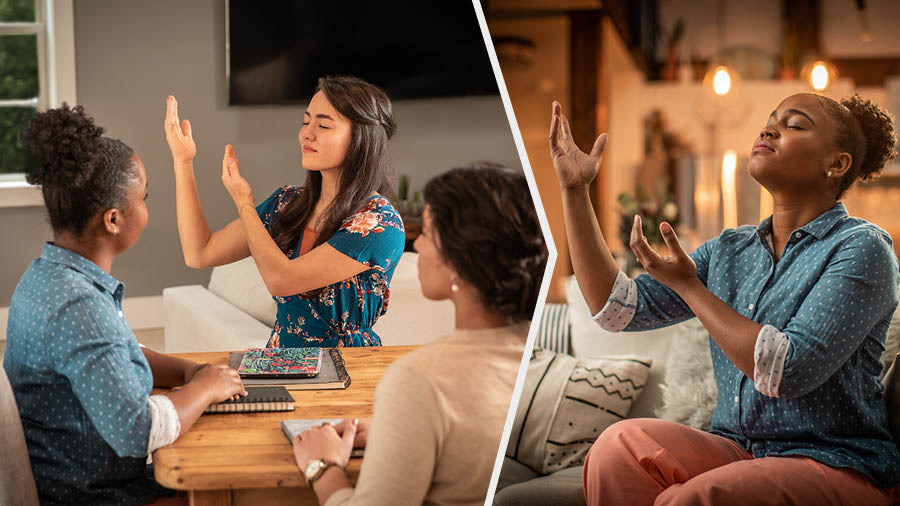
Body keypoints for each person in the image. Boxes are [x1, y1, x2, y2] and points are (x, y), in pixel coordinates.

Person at [551, 93, 900, 505]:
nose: (769, 128)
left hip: (835, 462)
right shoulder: (730, 249)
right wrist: (575, 191)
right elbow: (617, 309)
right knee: (620, 446)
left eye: (795, 124)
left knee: (696, 497)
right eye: (771, 119)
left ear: (837, 163)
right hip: (739, 450)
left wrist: (691, 288)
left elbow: (786, 371)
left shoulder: (861, 247)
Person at [3, 105, 247, 506]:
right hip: (94, 496)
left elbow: (117, 354)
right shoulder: (78, 306)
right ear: (113, 219)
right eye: (144, 197)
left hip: (80, 481)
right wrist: (204, 390)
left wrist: (190, 370)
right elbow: (137, 431)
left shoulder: (50, 275)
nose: (148, 208)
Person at [289, 164, 547, 506]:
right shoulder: (533, 358)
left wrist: (322, 467)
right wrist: (398, 426)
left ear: (460, 259)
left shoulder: (419, 379)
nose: (418, 244)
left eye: (426, 232)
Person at [164, 75, 405, 348]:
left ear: (362, 139)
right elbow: (200, 252)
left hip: (347, 372)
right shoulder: (287, 203)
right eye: (306, 121)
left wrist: (244, 203)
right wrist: (183, 163)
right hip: (282, 364)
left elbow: (281, 280)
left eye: (323, 125)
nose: (307, 133)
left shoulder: (379, 224)